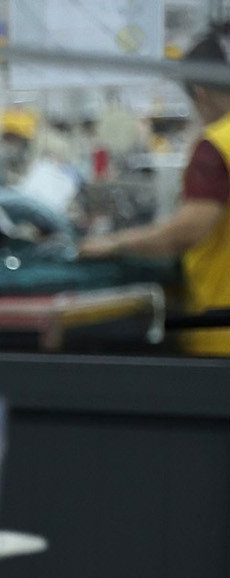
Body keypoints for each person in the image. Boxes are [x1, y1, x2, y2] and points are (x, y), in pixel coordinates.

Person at [79, 26, 230, 355]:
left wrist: (112, 244)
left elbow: (185, 232)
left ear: (200, 92)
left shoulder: (217, 144)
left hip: (221, 328)